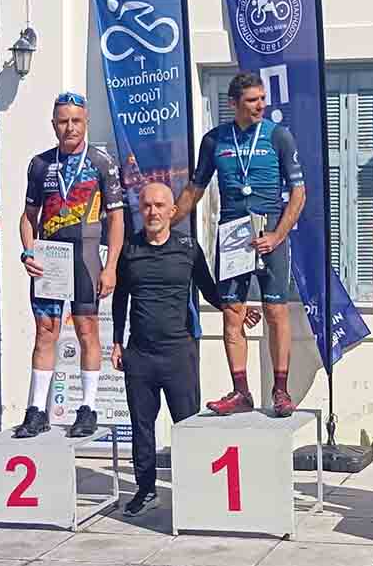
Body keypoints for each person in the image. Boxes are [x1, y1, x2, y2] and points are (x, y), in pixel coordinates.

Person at [112, 182, 260, 517]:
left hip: (179, 353)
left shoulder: (188, 248)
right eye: (147, 205)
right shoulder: (129, 249)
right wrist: (117, 341)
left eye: (159, 205)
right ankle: (146, 490)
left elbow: (209, 289)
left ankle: (193, 491)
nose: (153, 211)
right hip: (140, 354)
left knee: (187, 426)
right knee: (142, 427)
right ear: (140, 209)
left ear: (172, 211)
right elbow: (120, 298)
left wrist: (236, 310)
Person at [171, 72, 306, 418]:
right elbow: (195, 189)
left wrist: (277, 235)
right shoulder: (214, 140)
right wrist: (164, 223)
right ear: (233, 103)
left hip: (270, 232)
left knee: (276, 311)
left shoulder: (278, 136)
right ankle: (241, 391)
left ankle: (280, 390)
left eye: (262, 99)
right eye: (252, 100)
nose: (260, 105)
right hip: (232, 233)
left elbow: (298, 194)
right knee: (232, 312)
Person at [18, 91, 125, 438]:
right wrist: (28, 252)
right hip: (49, 258)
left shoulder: (102, 163)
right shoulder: (39, 165)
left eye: (76, 121)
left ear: (86, 122)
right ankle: (36, 410)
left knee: (87, 330)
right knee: (45, 330)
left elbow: (117, 219)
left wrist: (111, 266)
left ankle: (88, 408)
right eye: (63, 121)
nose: (70, 128)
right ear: (53, 125)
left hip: (86, 256)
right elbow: (28, 217)